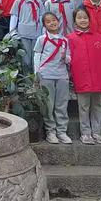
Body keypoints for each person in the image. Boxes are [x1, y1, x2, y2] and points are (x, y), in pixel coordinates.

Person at [68, 8, 101, 145]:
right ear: (74, 21)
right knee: (84, 106)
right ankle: (85, 133)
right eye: (79, 18)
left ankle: (97, 132)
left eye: (85, 17)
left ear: (90, 20)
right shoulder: (70, 38)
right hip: (81, 78)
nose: (83, 20)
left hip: (98, 78)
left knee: (97, 105)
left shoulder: (99, 37)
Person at [34, 12, 72, 144]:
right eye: (48, 21)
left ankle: (62, 131)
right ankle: (51, 131)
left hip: (62, 75)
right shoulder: (42, 39)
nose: (52, 23)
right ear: (44, 25)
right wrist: (36, 72)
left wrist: (65, 57)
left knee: (61, 104)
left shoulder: (65, 40)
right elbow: (37, 56)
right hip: (46, 74)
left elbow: (68, 57)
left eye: (54, 20)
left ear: (58, 21)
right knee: (48, 104)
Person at [9, 0, 44, 68]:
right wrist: (13, 33)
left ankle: (36, 79)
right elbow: (14, 17)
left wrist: (43, 34)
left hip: (37, 34)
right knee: (26, 60)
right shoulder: (18, 2)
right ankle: (26, 80)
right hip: (23, 34)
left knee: (36, 59)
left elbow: (42, 18)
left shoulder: (39, 2)